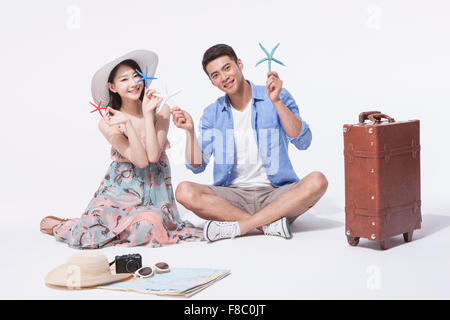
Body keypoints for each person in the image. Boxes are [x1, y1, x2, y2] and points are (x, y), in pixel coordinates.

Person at [40, 50, 203, 249]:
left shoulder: (161, 111)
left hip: (155, 195)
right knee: (93, 229)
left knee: (149, 226)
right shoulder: (108, 123)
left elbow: (152, 156)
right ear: (112, 87)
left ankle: (119, 226)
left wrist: (147, 113)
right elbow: (139, 160)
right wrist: (127, 124)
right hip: (118, 194)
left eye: (136, 76)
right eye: (124, 79)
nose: (133, 83)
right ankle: (64, 225)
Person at [171, 44, 328, 242]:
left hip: (276, 194)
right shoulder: (212, 113)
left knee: (317, 181)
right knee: (184, 191)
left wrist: (277, 102)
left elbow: (303, 141)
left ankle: (242, 226)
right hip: (232, 198)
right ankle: (268, 224)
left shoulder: (275, 95)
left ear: (239, 64)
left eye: (227, 68)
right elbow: (197, 166)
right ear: (212, 81)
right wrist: (189, 131)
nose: (224, 77)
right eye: (215, 75)